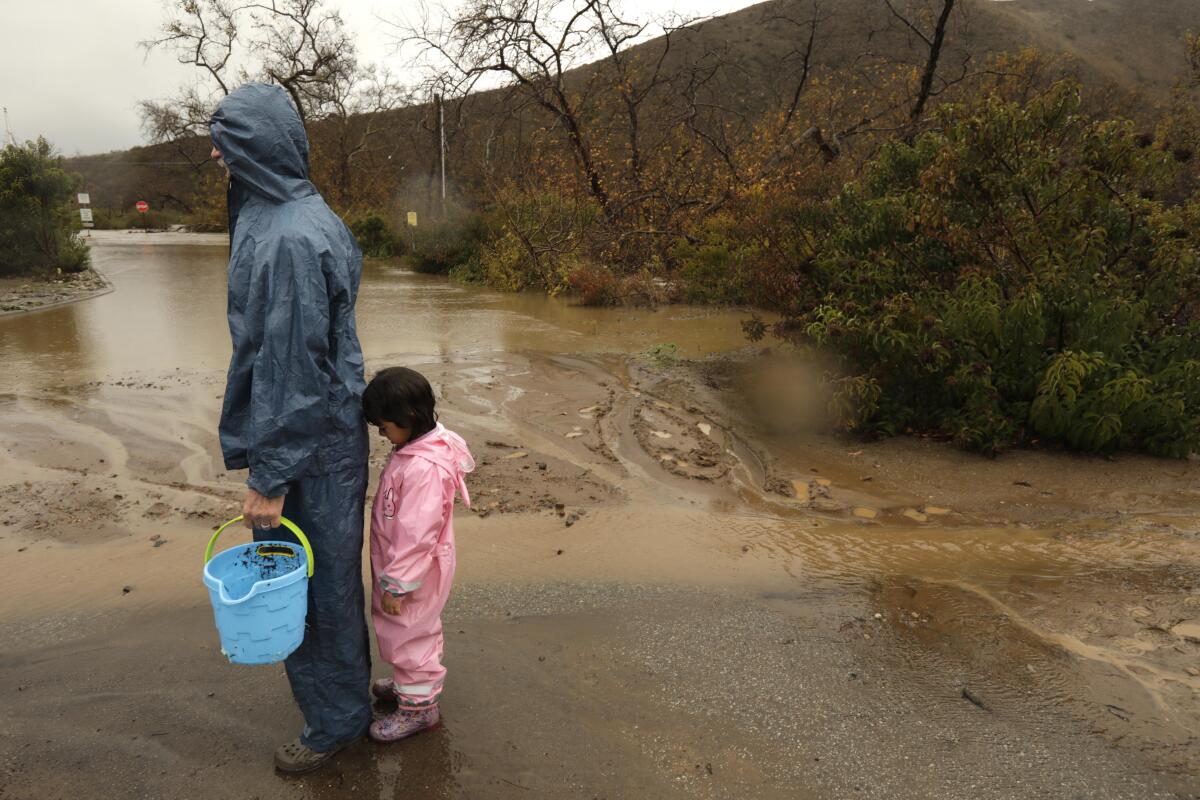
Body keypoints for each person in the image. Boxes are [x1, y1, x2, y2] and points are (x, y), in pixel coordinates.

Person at [209, 82, 371, 773]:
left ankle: (334, 721)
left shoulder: (288, 240)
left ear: (258, 148)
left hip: (308, 442)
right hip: (320, 432)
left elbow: (292, 369)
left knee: (311, 578)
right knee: (325, 574)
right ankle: (347, 702)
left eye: (228, 147)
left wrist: (270, 476)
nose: (219, 160)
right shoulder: (288, 211)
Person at [361, 366, 474, 741]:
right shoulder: (416, 446)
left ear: (409, 417)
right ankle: (408, 684)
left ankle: (419, 709)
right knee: (404, 630)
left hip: (414, 570)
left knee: (410, 631)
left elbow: (417, 533)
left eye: (385, 426)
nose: (382, 434)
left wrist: (397, 584)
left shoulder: (424, 468)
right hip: (406, 562)